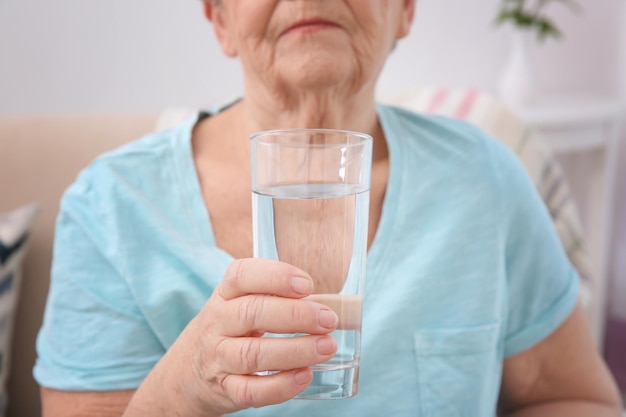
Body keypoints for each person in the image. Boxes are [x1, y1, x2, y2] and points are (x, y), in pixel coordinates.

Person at [35, 1, 623, 416]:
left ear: (406, 10)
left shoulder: (486, 180)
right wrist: (186, 387)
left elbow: (574, 398)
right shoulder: (110, 207)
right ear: (220, 19)